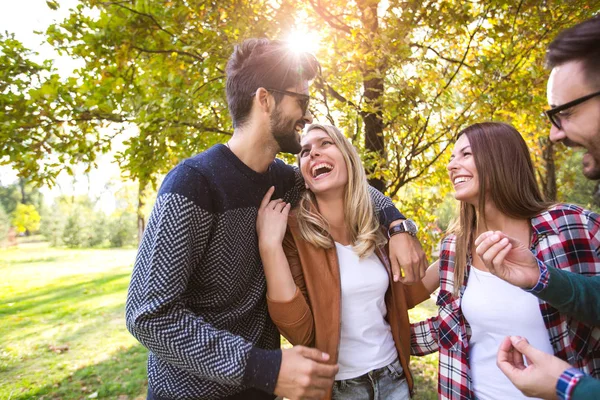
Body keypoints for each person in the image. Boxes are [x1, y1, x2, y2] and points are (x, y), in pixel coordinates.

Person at [125, 38, 428, 400]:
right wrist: (260, 366)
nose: (308, 115)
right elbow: (148, 314)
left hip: (260, 390)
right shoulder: (194, 183)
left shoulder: (286, 179)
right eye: (301, 101)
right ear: (265, 99)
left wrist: (397, 226)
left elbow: (356, 191)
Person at [409, 122, 600, 400]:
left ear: (499, 158)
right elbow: (452, 329)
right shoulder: (454, 246)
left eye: (465, 154)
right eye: (451, 158)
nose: (452, 165)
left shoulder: (572, 225)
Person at [256, 123, 438, 400]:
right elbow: (300, 332)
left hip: (394, 377)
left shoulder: (375, 225)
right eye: (305, 151)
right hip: (338, 387)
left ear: (349, 159)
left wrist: (453, 253)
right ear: (304, 178)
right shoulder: (293, 231)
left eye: (325, 143)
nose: (313, 153)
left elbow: (403, 293)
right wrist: (269, 247)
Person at [472, 16, 600, 400]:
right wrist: (540, 277)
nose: (554, 133)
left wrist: (568, 387)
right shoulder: (454, 246)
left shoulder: (576, 224)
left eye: (566, 112)